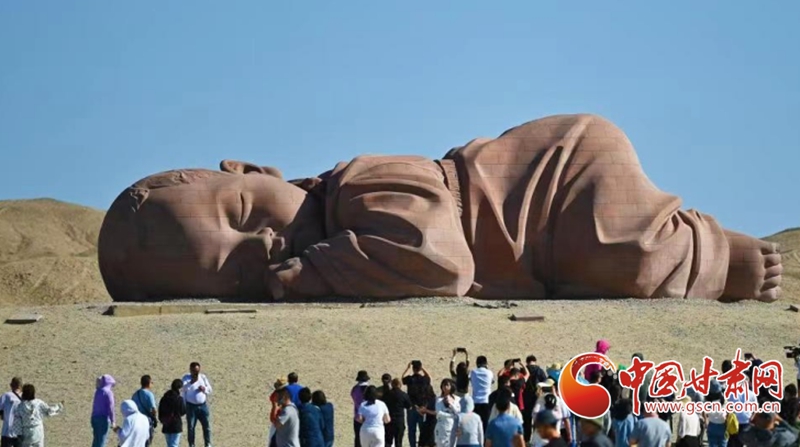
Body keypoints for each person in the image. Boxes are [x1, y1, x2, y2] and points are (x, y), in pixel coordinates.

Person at [182, 362, 213, 447]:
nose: (196, 373)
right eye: (194, 371)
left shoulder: (203, 377)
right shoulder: (186, 378)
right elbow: (183, 389)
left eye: (197, 371)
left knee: (207, 426)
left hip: (203, 406)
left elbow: (210, 390)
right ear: (190, 370)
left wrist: (204, 389)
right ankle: (191, 444)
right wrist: (191, 383)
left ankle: (208, 444)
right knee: (191, 427)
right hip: (191, 407)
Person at [403, 361, 432, 447]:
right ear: (419, 369)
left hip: (412, 407)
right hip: (422, 407)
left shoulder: (410, 379)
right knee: (422, 429)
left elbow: (403, 378)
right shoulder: (424, 379)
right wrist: (422, 368)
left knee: (412, 430)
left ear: (413, 369)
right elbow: (429, 377)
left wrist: (407, 368)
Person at [523, 357, 547, 444]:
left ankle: (526, 440)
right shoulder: (540, 371)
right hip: (537, 398)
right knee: (537, 419)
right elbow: (545, 383)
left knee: (527, 420)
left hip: (526, 398)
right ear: (535, 361)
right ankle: (536, 440)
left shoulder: (523, 370)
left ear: (527, 362)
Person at [382, 378, 411, 447]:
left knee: (388, 442)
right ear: (400, 385)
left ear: (392, 384)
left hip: (389, 420)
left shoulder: (387, 394)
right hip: (399, 421)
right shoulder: (403, 395)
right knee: (398, 442)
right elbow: (409, 406)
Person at [158, 379, 187, 447]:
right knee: (174, 445)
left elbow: (160, 411)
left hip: (166, 424)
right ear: (179, 388)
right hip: (176, 424)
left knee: (169, 444)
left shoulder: (164, 398)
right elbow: (183, 411)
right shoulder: (179, 399)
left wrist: (162, 419)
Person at [433, 379, 461, 447]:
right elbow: (439, 413)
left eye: (447, 385)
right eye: (443, 385)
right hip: (442, 427)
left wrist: (451, 404)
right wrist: (452, 415)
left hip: (454, 427)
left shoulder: (457, 399)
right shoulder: (439, 399)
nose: (445, 387)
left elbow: (458, 412)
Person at [131, 375, 158, 447]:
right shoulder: (149, 394)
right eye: (151, 382)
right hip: (146, 420)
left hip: (136, 420)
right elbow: (153, 409)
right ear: (148, 383)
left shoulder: (135, 394)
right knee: (147, 441)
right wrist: (154, 417)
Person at [469, 356, 494, 431]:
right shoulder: (489, 372)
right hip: (486, 401)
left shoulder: (473, 372)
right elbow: (492, 381)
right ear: (486, 363)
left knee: (476, 425)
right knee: (485, 425)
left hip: (475, 401)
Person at [91, 374, 116, 447]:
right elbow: (111, 407)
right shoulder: (108, 392)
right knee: (102, 441)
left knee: (96, 441)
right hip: (103, 419)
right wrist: (113, 421)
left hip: (94, 418)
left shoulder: (98, 391)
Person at [0, 378, 22, 447]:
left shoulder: (6, 396)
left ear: (11, 385)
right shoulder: (26, 397)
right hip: (21, 433)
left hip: (7, 432)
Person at [352, 371, 371, 447]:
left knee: (358, 438)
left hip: (357, 416)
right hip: (367, 417)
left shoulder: (354, 389)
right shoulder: (368, 389)